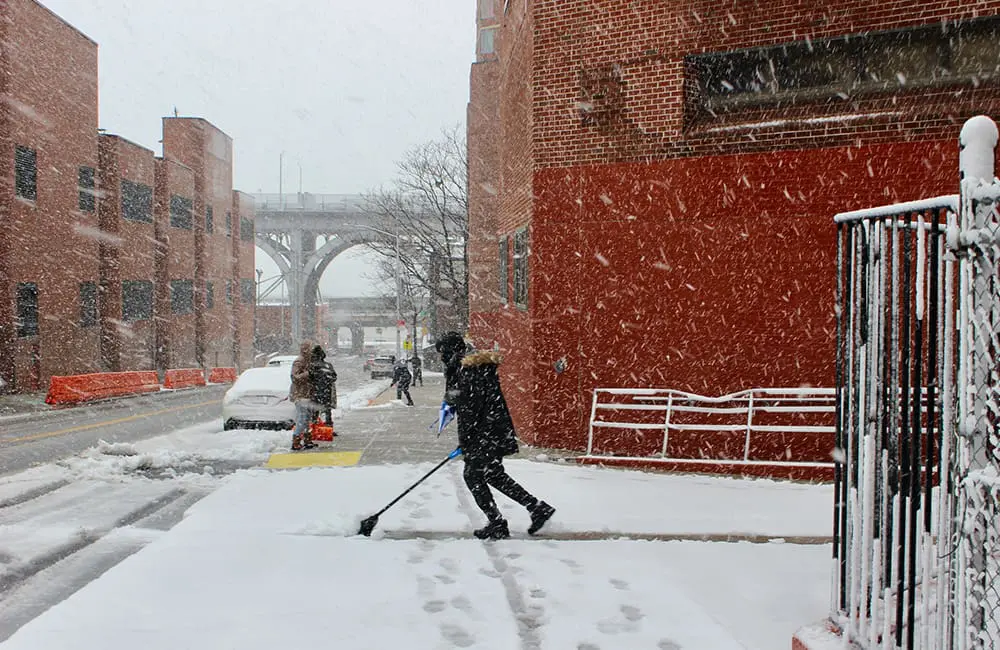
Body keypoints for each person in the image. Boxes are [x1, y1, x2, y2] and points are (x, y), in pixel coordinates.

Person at [435, 331, 555, 539]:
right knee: (492, 474)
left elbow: (471, 409)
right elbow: (466, 405)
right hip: (491, 433)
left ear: (452, 351)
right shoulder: (469, 369)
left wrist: (468, 440)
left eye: (443, 353)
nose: (442, 358)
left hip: (485, 434)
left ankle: (498, 522)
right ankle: (536, 508)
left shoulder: (469, 371)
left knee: (473, 475)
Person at [289, 341, 317, 450]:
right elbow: (294, 377)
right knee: (302, 418)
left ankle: (307, 439)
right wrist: (308, 374)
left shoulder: (308, 360)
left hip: (307, 394)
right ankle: (295, 441)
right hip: (300, 395)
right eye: (311, 349)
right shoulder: (299, 361)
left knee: (307, 419)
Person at [309, 344, 337, 427]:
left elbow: (309, 378)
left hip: (315, 391)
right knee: (327, 410)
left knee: (315, 410)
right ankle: (328, 427)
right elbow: (334, 377)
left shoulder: (312, 365)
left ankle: (314, 427)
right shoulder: (328, 365)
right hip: (327, 391)